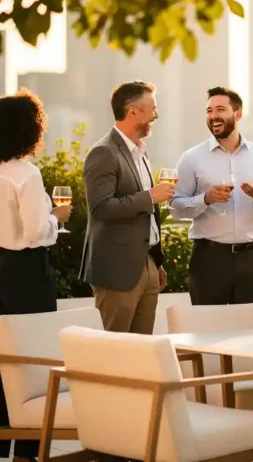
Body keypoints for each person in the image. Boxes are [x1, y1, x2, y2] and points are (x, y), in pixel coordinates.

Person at [0, 88, 72, 462]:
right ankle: (27, 453)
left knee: (3, 360)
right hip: (27, 271)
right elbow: (34, 231)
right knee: (36, 362)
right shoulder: (27, 174)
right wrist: (56, 220)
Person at [170, 86, 253, 305]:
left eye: (220, 109)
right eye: (209, 110)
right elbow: (175, 208)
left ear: (238, 114)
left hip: (251, 260)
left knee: (251, 332)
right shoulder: (191, 158)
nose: (213, 116)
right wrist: (206, 198)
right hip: (209, 260)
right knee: (207, 330)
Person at [80, 81, 174, 334]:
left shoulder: (140, 152)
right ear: (132, 111)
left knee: (141, 351)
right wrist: (149, 197)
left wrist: (155, 261)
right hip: (117, 271)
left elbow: (147, 218)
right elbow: (101, 208)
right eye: (152, 109)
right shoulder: (103, 153)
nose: (157, 115)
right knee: (113, 352)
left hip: (147, 267)